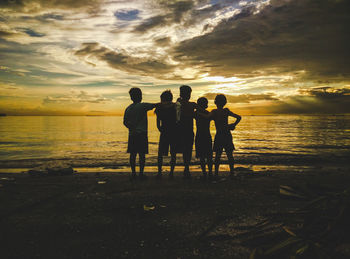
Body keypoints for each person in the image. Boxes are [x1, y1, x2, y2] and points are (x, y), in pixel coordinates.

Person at [123, 87, 155, 180]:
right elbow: (155, 105)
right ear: (139, 96)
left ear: (131, 97)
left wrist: (131, 126)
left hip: (132, 135)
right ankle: (141, 173)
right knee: (142, 154)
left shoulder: (128, 108)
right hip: (142, 134)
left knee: (132, 155)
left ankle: (133, 173)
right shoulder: (143, 106)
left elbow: (125, 122)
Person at [211, 94, 241, 177]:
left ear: (215, 102)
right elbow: (239, 117)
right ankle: (231, 173)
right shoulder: (226, 111)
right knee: (229, 155)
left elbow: (207, 118)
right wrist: (233, 125)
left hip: (220, 135)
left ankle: (216, 173)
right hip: (227, 134)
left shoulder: (214, 112)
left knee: (218, 155)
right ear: (225, 102)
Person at [155, 90, 177, 179]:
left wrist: (159, 128)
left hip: (164, 131)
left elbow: (158, 120)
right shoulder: (175, 106)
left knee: (160, 153)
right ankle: (171, 172)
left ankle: (160, 172)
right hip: (173, 130)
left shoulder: (160, 107)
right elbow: (178, 118)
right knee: (173, 153)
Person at [177, 85, 197, 179]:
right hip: (185, 130)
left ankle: (186, 168)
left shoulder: (180, 103)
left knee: (186, 150)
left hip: (183, 130)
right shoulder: (190, 105)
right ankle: (186, 168)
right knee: (187, 150)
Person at [194, 97, 213, 179]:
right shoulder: (207, 113)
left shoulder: (197, 113)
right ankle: (209, 173)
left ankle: (205, 173)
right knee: (208, 156)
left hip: (200, 135)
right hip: (206, 135)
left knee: (203, 156)